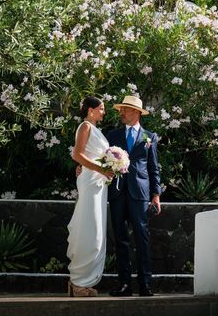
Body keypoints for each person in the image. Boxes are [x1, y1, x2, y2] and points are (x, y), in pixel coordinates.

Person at [107, 95, 162, 297]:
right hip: (117, 191)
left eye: (126, 109)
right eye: (121, 109)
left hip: (140, 192)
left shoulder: (150, 137)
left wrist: (156, 195)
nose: (121, 113)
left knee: (142, 237)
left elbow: (153, 167)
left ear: (137, 113)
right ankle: (124, 285)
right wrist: (82, 167)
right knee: (120, 238)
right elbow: (99, 159)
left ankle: (145, 284)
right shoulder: (112, 135)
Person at [66, 96, 114, 297]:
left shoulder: (96, 130)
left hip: (99, 184)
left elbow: (87, 155)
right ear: (90, 110)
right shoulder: (84, 127)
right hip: (90, 181)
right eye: (101, 108)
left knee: (97, 231)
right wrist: (101, 169)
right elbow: (77, 155)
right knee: (89, 230)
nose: (104, 112)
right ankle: (78, 282)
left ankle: (80, 282)